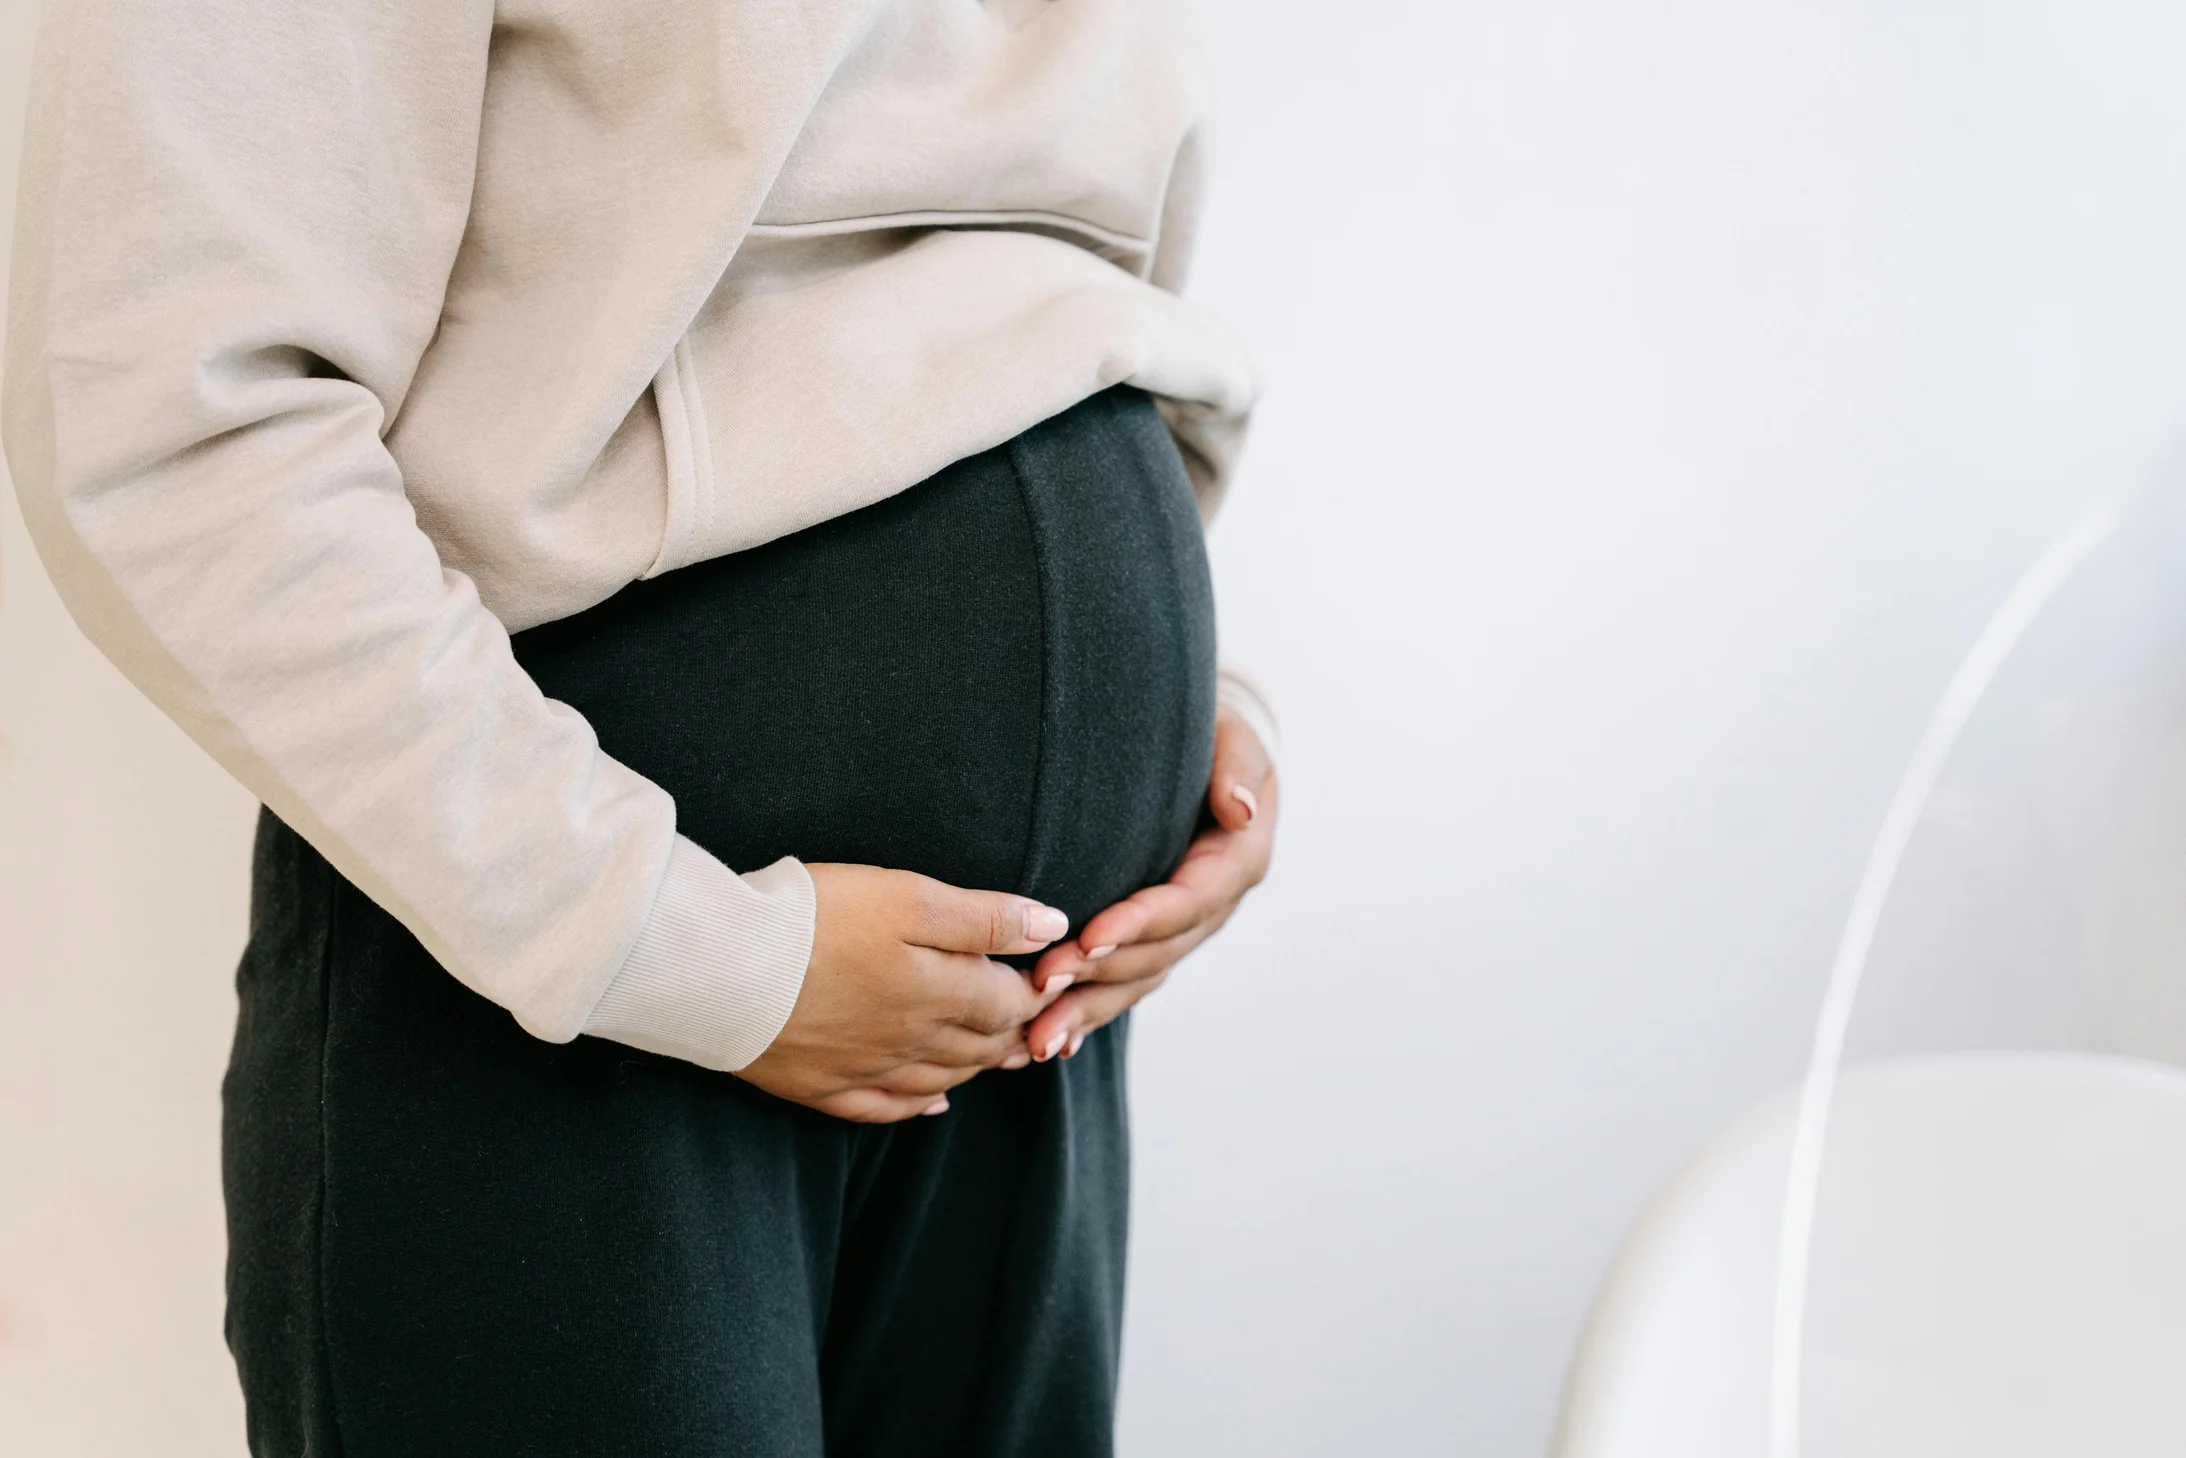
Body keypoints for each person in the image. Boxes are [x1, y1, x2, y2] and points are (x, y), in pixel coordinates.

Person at [4, 1, 1278, 1454]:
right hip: (587, 966)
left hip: (1029, 1016)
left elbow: (1020, 300)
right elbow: (175, 417)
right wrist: (687, 947)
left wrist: (1173, 713)